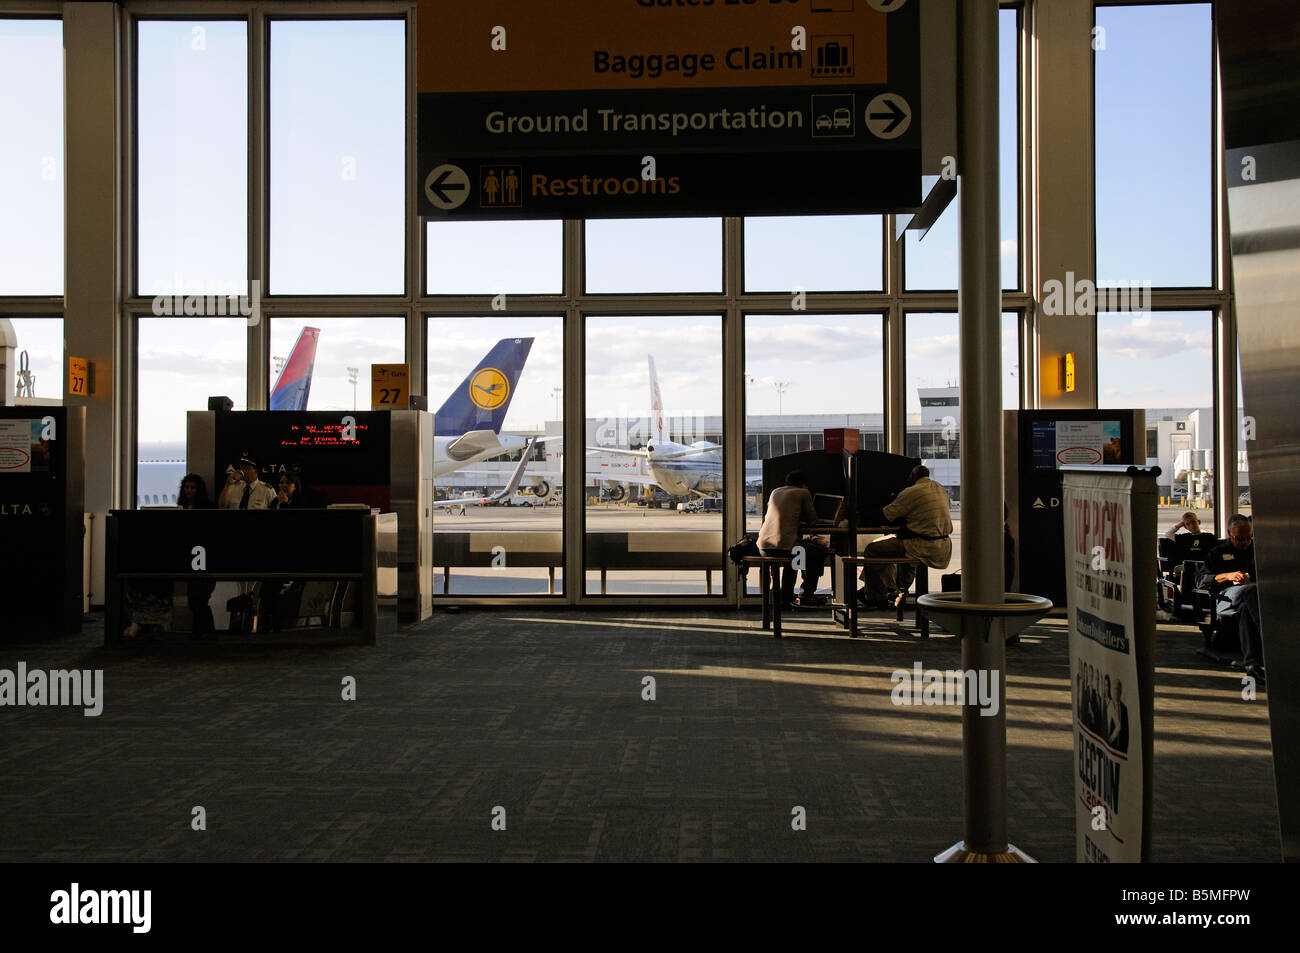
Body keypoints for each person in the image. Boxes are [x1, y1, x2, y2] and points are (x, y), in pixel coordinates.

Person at [859, 465, 953, 609]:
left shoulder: (912, 491)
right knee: (897, 549)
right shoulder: (939, 488)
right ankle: (898, 589)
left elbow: (887, 515)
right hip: (942, 545)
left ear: (913, 477)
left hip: (922, 544)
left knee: (873, 550)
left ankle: (876, 596)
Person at [1199, 514, 1264, 682]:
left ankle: (1252, 665)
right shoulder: (1218, 552)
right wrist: (1228, 576)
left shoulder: (1258, 550)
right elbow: (1202, 580)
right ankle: (1268, 636)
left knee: (1245, 609)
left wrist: (1253, 582)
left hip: (1252, 599)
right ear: (1229, 534)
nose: (1244, 542)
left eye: (1248, 538)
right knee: (1249, 591)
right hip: (1224, 598)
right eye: (1239, 538)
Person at [756, 469, 830, 608]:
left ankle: (787, 596)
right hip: (785, 548)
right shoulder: (803, 492)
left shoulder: (775, 491)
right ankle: (806, 594)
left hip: (763, 547)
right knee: (815, 552)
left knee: (797, 553)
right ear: (803, 484)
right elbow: (813, 520)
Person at [178, 473, 216, 638]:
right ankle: (202, 631)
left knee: (199, 597)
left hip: (204, 555)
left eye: (192, 488)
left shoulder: (207, 507)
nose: (189, 491)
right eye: (187, 487)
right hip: (192, 555)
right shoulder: (181, 507)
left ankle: (203, 631)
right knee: (194, 598)